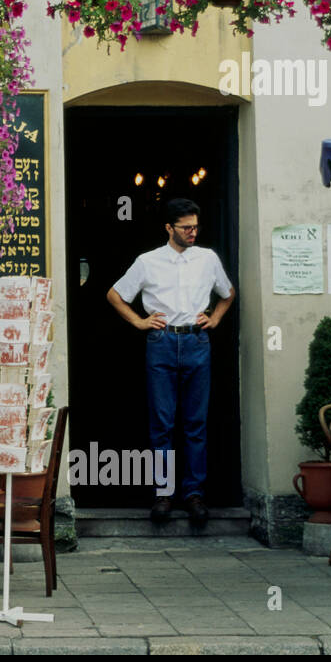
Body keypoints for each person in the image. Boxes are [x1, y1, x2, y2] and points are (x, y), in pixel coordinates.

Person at [106, 199, 235, 525]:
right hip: (162, 342)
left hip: (196, 340)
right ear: (169, 228)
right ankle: (163, 494)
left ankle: (194, 494)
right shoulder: (148, 261)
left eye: (195, 226)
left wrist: (216, 318)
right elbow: (115, 294)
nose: (193, 232)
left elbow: (228, 292)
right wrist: (138, 322)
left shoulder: (208, 258)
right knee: (162, 422)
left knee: (196, 423)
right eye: (186, 228)